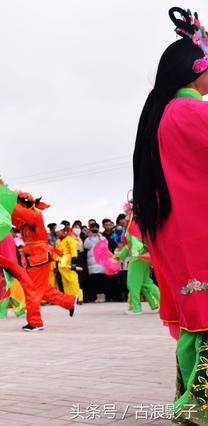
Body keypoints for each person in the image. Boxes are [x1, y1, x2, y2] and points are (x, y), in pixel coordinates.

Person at [131, 8, 208, 421]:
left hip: (179, 237)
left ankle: (191, 405)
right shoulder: (192, 112)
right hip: (200, 234)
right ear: (197, 72)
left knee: (197, 325)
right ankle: (198, 409)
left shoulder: (164, 115)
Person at [11, 192, 77, 331]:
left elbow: (15, 210)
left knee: (32, 290)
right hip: (33, 257)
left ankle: (35, 322)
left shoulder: (35, 214)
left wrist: (3, 196)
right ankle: (69, 302)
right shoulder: (25, 217)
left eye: (18, 202)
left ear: (23, 203)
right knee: (42, 288)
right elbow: (12, 217)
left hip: (38, 256)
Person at [115, 202, 160, 314]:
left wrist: (136, 253)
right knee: (147, 283)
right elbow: (129, 245)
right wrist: (119, 256)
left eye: (127, 212)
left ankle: (136, 308)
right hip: (143, 257)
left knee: (133, 283)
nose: (125, 215)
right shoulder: (136, 223)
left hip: (138, 257)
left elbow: (136, 241)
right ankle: (161, 304)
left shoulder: (134, 224)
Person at [55, 224, 84, 301]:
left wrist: (74, 261)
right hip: (61, 261)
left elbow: (73, 250)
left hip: (68, 260)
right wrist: (56, 262)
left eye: (58, 232)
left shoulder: (69, 239)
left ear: (63, 231)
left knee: (72, 279)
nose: (57, 233)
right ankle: (69, 298)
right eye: (56, 232)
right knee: (65, 281)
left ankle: (78, 297)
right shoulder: (58, 241)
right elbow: (57, 252)